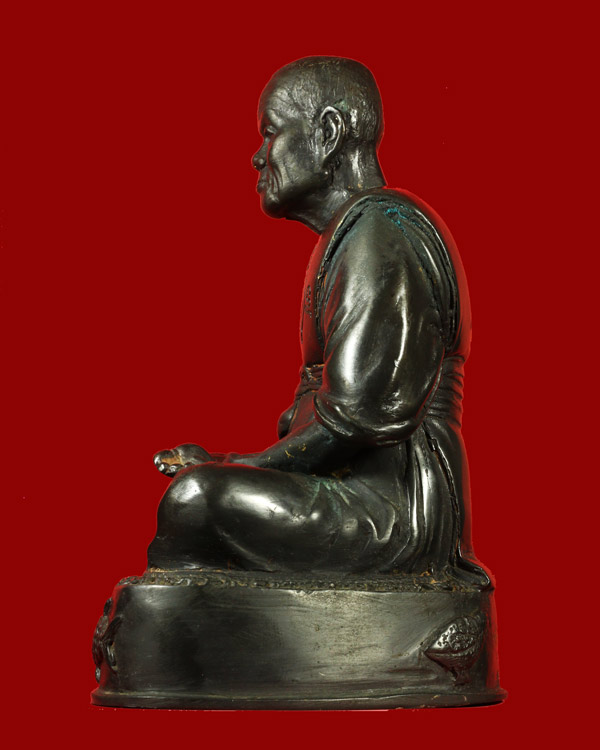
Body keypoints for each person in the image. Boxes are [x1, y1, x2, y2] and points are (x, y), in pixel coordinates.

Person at [147, 56, 487, 583]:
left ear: (328, 133)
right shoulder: (355, 232)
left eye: (271, 132)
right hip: (357, 489)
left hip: (391, 510)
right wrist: (232, 462)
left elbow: (355, 417)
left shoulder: (381, 228)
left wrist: (231, 465)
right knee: (198, 499)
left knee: (195, 499)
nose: (258, 156)